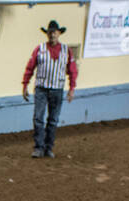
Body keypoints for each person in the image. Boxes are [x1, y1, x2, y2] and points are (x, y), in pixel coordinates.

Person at [22, 19, 78, 158]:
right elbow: (30, 67)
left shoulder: (66, 51)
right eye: (50, 32)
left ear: (59, 33)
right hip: (41, 88)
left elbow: (72, 70)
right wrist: (25, 84)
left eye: (55, 32)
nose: (52, 35)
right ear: (47, 34)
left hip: (57, 89)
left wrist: (72, 88)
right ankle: (38, 147)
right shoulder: (39, 49)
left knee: (53, 120)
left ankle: (48, 148)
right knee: (38, 118)